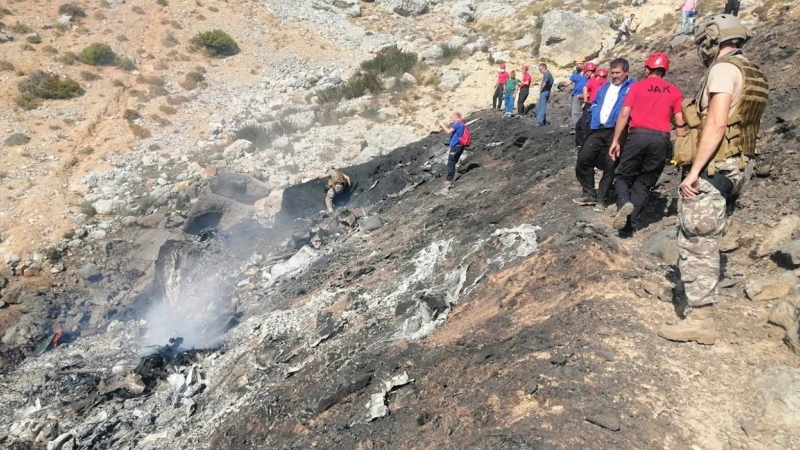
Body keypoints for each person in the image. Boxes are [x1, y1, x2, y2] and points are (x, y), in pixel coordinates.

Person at [658, 14, 768, 345]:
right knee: (708, 238)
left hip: (715, 168)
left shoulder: (722, 70)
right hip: (739, 167)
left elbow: (717, 123)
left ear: (712, 39)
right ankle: (697, 300)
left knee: (697, 240)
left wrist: (693, 172)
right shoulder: (753, 72)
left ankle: (702, 320)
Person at [608, 53, 685, 232]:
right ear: (664, 71)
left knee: (622, 175)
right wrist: (681, 149)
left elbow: (624, 114)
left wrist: (616, 140)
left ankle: (624, 203)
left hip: (638, 135)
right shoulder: (674, 91)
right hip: (661, 139)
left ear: (647, 69)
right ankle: (629, 224)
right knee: (645, 182)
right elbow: (680, 123)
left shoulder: (637, 87)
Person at [573, 59, 635, 210]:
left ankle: (601, 199)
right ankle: (588, 193)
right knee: (583, 158)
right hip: (598, 127)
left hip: (616, 129)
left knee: (610, 163)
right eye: (612, 73)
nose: (614, 76)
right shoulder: (605, 87)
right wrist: (593, 112)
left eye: (618, 73)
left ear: (626, 72)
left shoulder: (632, 87)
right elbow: (595, 102)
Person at [575, 63, 602, 146]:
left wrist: (580, 96)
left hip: (590, 105)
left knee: (583, 126)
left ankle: (583, 145)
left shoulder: (591, 81)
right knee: (581, 125)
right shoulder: (599, 81)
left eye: (586, 72)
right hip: (595, 105)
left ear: (589, 72)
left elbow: (588, 93)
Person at [439, 111, 468, 186]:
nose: (451, 119)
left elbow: (448, 131)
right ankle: (451, 175)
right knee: (454, 161)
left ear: (456, 117)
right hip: (460, 145)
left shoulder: (457, 124)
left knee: (451, 161)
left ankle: (449, 180)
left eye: (451, 117)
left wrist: (442, 125)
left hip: (456, 145)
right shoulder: (462, 123)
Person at [558, 60, 586, 126]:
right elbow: (567, 83)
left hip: (587, 94)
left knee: (586, 111)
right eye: (576, 65)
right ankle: (575, 127)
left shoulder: (587, 74)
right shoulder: (575, 75)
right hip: (576, 95)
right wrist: (561, 84)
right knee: (575, 112)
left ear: (583, 64)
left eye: (578, 64)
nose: (577, 66)